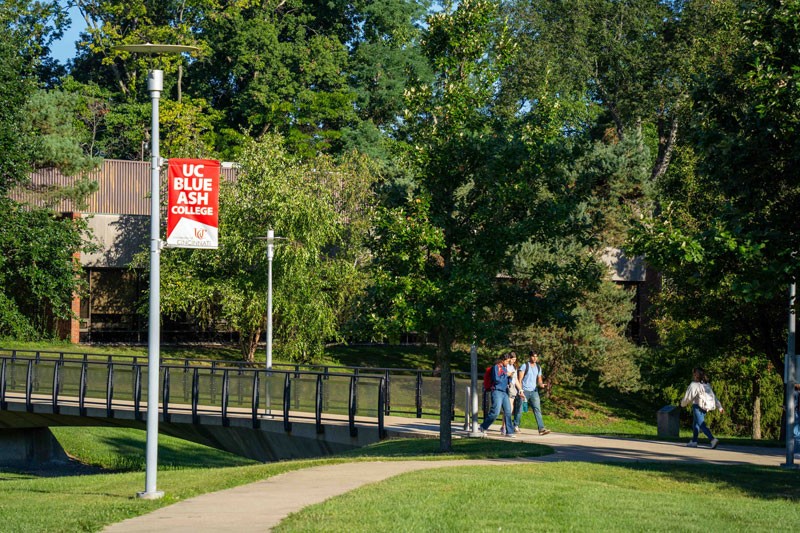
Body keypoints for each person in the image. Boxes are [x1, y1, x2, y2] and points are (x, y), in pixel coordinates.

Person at [680, 367, 723, 449]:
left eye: (694, 373)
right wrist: (719, 407)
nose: (693, 375)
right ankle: (694, 441)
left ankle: (712, 440)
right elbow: (713, 396)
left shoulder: (694, 385)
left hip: (698, 407)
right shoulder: (706, 384)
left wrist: (682, 404)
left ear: (696, 375)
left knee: (701, 424)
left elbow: (687, 398)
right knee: (695, 424)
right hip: (705, 407)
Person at [479, 353, 516, 438]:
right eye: (507, 361)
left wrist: (510, 379)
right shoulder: (496, 367)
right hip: (497, 391)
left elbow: (506, 378)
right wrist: (507, 375)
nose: (508, 362)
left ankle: (509, 431)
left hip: (504, 392)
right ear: (503, 360)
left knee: (508, 411)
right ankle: (483, 426)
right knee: (495, 412)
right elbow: (496, 379)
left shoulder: (505, 368)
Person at [516, 350, 551, 435]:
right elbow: (519, 379)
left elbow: (539, 379)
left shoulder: (538, 367)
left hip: (534, 391)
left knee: (537, 409)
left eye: (536, 356)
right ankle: (515, 426)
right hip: (524, 391)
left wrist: (541, 384)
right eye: (533, 356)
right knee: (520, 409)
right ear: (530, 357)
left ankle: (541, 428)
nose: (535, 358)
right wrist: (520, 391)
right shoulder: (525, 366)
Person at [501, 352, 521, 435]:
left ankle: (504, 426)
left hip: (512, 387)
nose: (513, 361)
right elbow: (504, 374)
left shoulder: (514, 367)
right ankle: (504, 426)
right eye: (512, 359)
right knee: (508, 407)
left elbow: (515, 379)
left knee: (510, 407)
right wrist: (509, 375)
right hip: (507, 386)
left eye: (515, 360)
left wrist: (520, 389)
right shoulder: (505, 365)